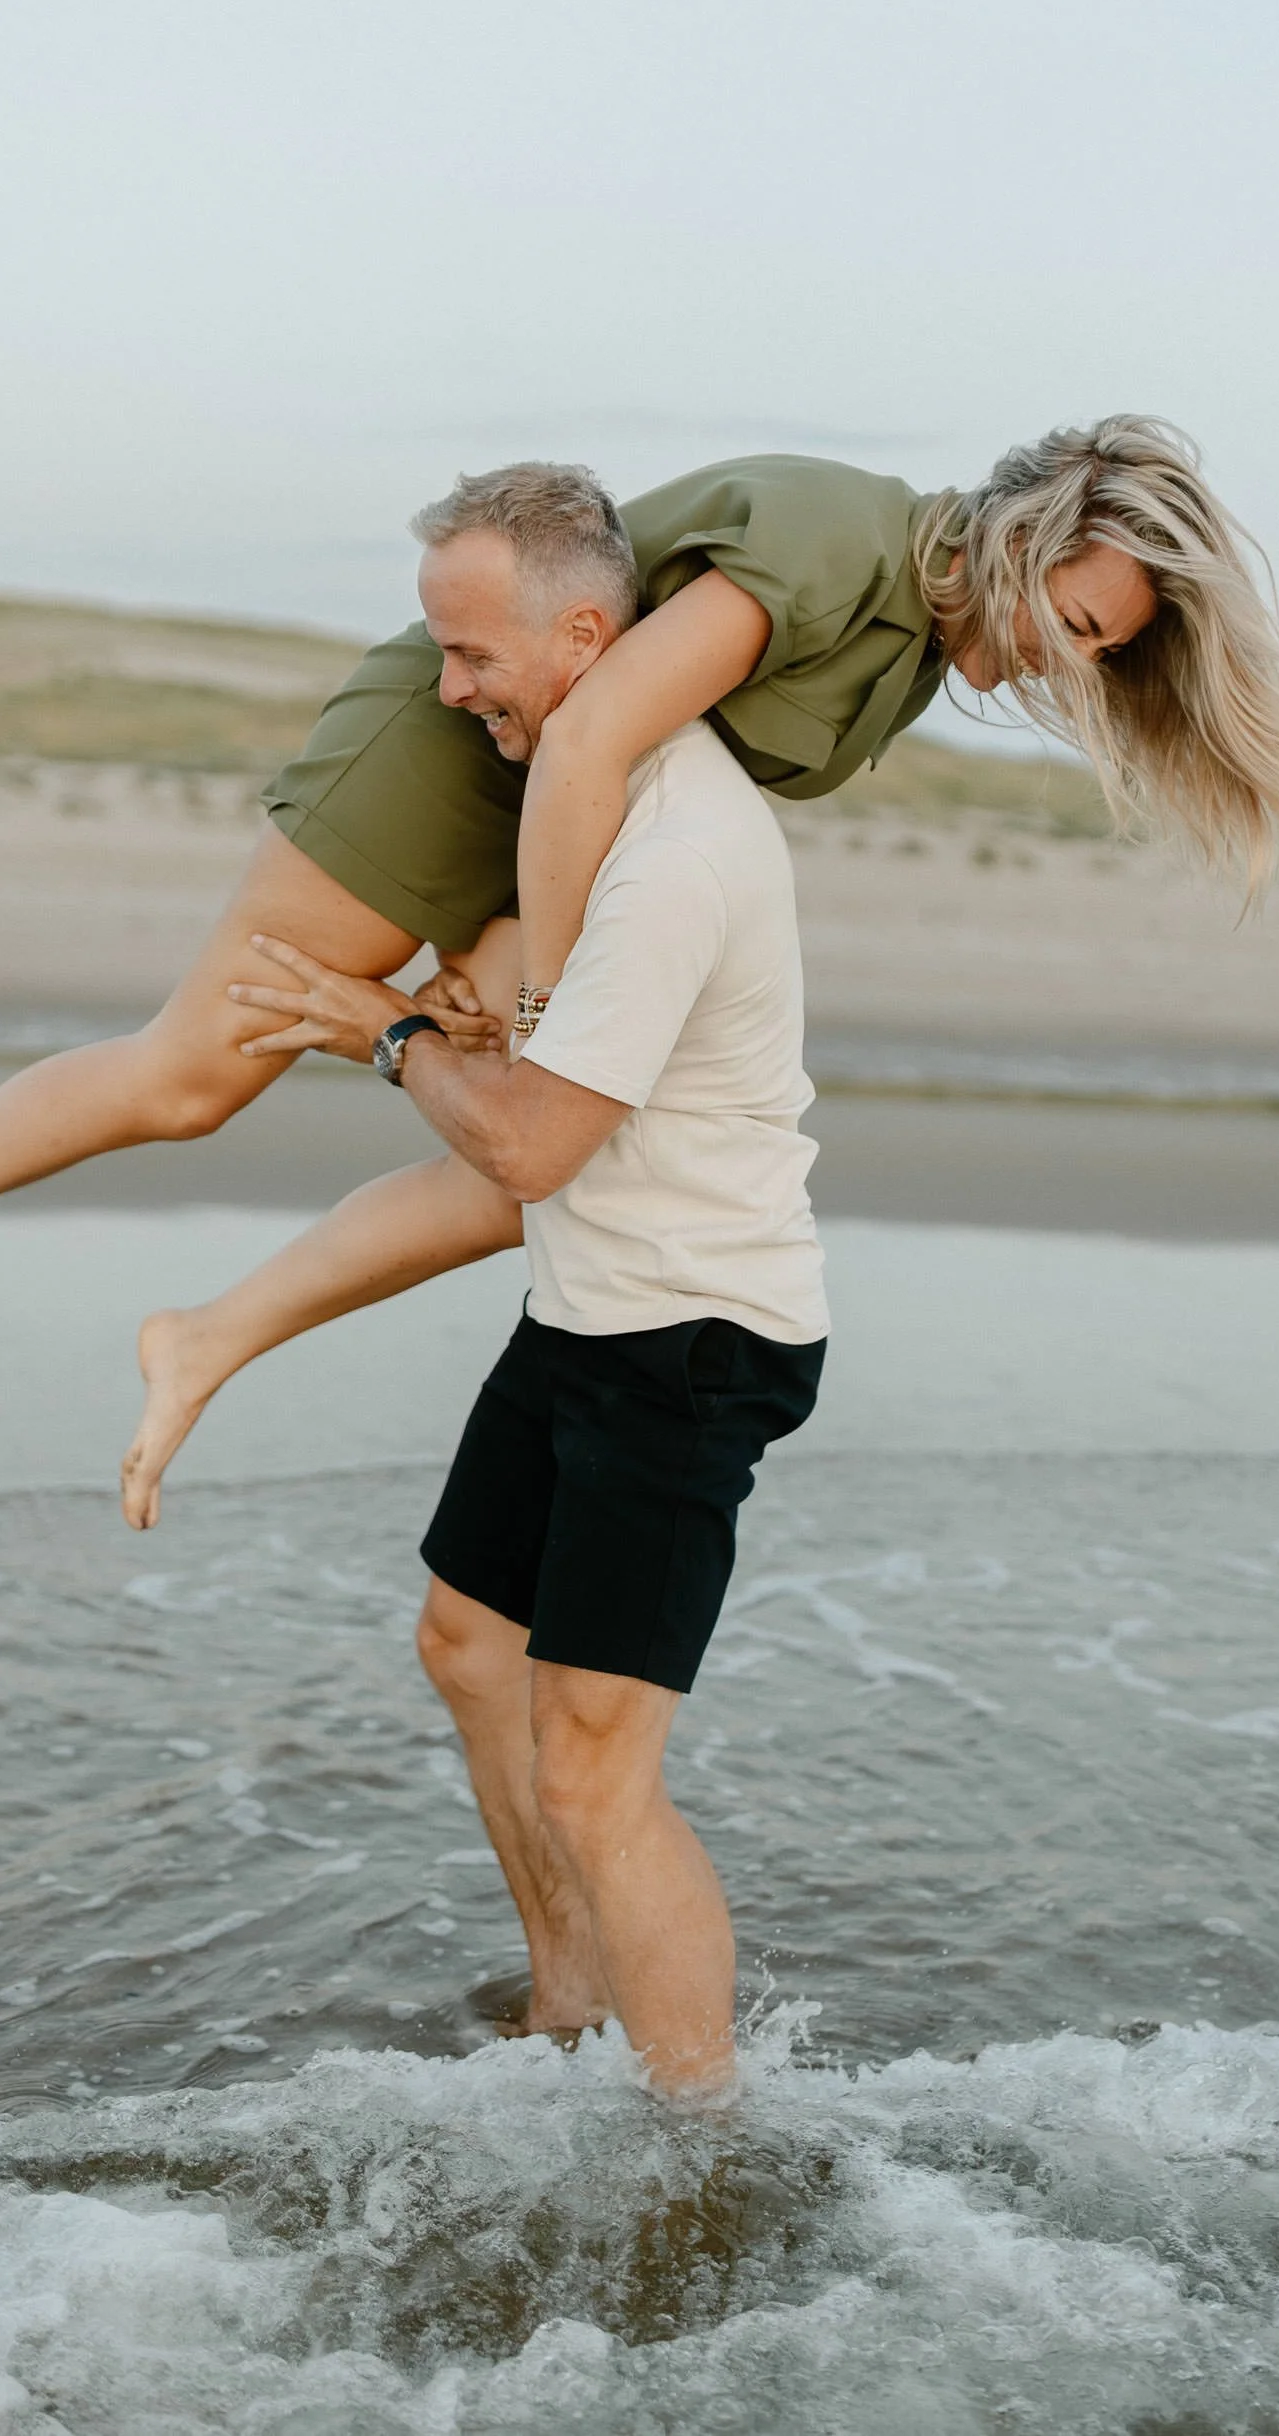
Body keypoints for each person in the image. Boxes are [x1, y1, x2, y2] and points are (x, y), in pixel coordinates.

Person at [0, 422, 1279, 1380]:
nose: (1063, 659)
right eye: (1076, 618)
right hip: (452, 762)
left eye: (1100, 651)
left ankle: (204, 1337)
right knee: (195, 1076)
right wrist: (542, 990)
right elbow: (592, 728)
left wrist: (514, 973)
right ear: (1030, 534)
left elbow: (622, 783)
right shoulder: (835, 544)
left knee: (524, 1170)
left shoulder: (906, 651)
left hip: (553, 825)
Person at [202, 550, 828, 2094]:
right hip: (588, 1308)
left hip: (691, 1340)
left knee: (598, 1773)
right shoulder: (590, 815)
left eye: (473, 653)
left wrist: (389, 1030)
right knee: (467, 1638)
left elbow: (531, 1149)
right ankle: (566, 2002)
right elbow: (553, 1083)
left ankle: (698, 2150)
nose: (448, 685)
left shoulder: (676, 850)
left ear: (585, 636)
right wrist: (479, 1016)